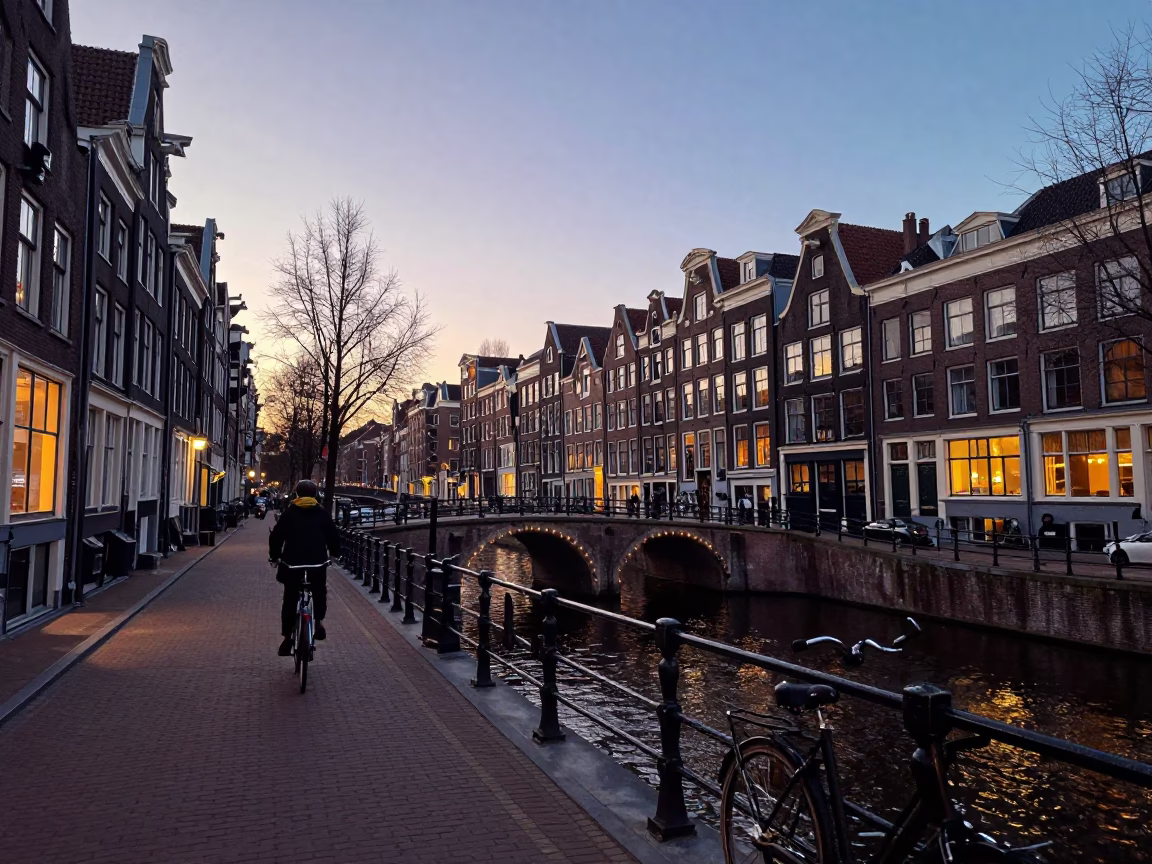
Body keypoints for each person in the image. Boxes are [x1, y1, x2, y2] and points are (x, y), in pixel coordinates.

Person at [269, 480, 341, 656]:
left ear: (297, 495)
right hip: (317, 563)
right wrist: (334, 554)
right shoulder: (322, 513)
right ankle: (318, 623)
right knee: (319, 592)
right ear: (315, 495)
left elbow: (277, 536)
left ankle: (287, 638)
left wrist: (275, 556)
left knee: (290, 599)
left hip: (292, 564)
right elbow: (333, 535)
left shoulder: (290, 513)